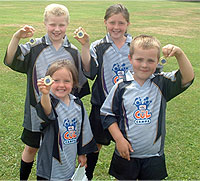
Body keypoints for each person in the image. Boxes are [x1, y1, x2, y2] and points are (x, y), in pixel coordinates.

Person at [4, 3, 90, 180]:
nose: (57, 29)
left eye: (61, 25)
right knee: (31, 148)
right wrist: (16, 37)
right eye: (52, 24)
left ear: (67, 24)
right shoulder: (35, 46)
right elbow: (11, 59)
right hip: (36, 111)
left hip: (63, 116)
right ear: (45, 23)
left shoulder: (72, 52)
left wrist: (85, 46)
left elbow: (79, 83)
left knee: (60, 147)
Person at [100, 34, 194, 180]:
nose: (144, 65)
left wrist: (179, 54)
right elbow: (107, 115)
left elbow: (187, 77)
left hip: (153, 156)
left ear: (157, 61)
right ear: (130, 59)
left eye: (150, 60)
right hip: (126, 155)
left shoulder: (162, 83)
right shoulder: (121, 86)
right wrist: (119, 139)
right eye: (139, 59)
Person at [74, 4, 134, 180]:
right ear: (105, 23)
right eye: (112, 22)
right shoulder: (98, 46)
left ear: (128, 24)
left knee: (127, 146)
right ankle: (86, 176)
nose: (116, 27)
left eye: (121, 23)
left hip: (126, 107)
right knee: (94, 146)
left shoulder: (134, 45)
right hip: (101, 105)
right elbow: (90, 71)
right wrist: (85, 46)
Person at [35, 60, 97, 180]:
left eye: (67, 81)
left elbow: (84, 130)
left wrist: (82, 153)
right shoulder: (49, 102)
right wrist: (45, 94)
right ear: (49, 81)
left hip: (69, 159)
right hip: (50, 165)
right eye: (56, 81)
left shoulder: (78, 104)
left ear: (74, 83)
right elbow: (47, 112)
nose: (61, 85)